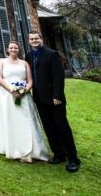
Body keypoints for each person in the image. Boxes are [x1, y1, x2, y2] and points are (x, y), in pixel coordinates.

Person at [26, 31, 81, 172]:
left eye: (36, 38)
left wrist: (57, 96)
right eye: (31, 39)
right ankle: (58, 154)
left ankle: (73, 159)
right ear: (29, 41)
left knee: (62, 128)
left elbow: (58, 77)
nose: (34, 41)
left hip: (54, 99)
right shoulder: (29, 56)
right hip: (39, 98)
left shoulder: (52, 54)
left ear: (41, 39)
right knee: (49, 127)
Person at [0, 41, 50, 163]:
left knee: (27, 119)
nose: (13, 49)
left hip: (24, 95)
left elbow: (30, 80)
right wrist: (11, 90)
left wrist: (24, 91)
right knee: (11, 119)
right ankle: (13, 148)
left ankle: (33, 150)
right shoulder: (1, 62)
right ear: (8, 50)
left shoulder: (24, 63)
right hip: (7, 95)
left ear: (18, 50)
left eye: (16, 48)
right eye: (11, 48)